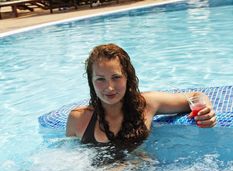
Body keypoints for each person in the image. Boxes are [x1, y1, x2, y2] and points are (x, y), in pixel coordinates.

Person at [66, 43, 216, 148]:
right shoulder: (78, 119)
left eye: (116, 77)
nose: (109, 87)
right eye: (100, 79)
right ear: (91, 82)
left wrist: (206, 110)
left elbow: (196, 95)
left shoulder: (147, 104)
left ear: (127, 78)